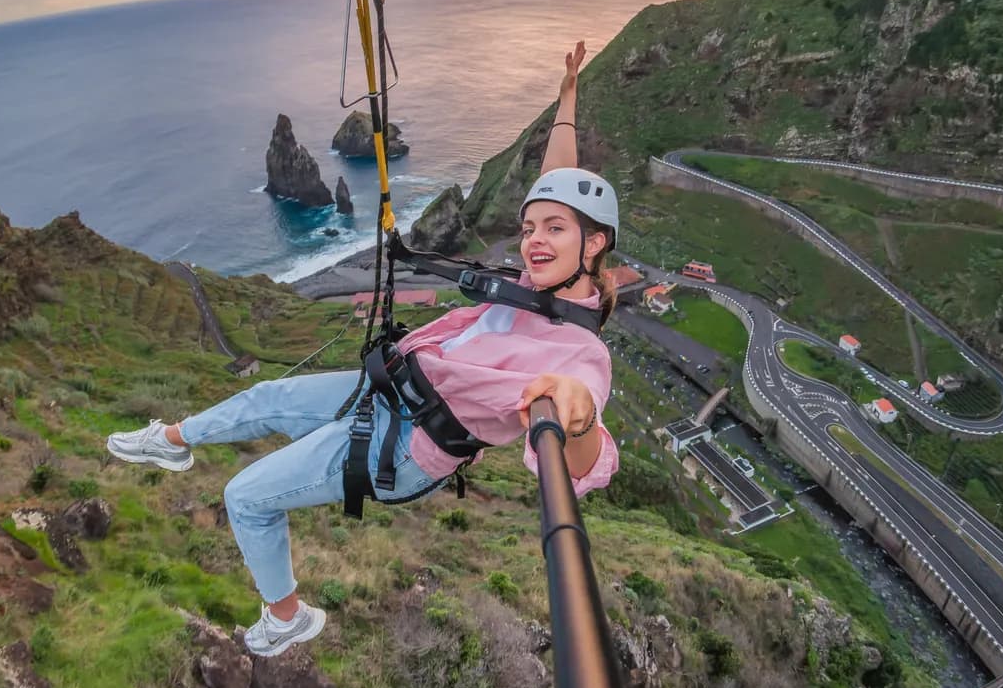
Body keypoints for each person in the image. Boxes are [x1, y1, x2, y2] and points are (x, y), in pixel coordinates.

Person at [106, 41, 621, 656]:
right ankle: (171, 443)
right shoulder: (542, 286)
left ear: (592, 246)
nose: (533, 239)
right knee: (268, 395)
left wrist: (581, 415)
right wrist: (567, 98)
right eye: (531, 227)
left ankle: (287, 617)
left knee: (245, 496)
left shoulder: (579, 354)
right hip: (390, 393)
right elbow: (556, 181)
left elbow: (587, 464)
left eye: (554, 230)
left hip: (407, 446)